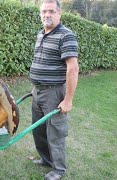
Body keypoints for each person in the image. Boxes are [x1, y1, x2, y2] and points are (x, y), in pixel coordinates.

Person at [29, 0, 79, 179]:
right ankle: (46, 159)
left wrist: (68, 99)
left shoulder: (66, 36)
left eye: (51, 11)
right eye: (43, 11)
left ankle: (58, 169)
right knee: (39, 130)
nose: (46, 15)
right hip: (37, 91)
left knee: (55, 132)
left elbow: (72, 68)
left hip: (54, 93)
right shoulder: (41, 34)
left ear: (59, 13)